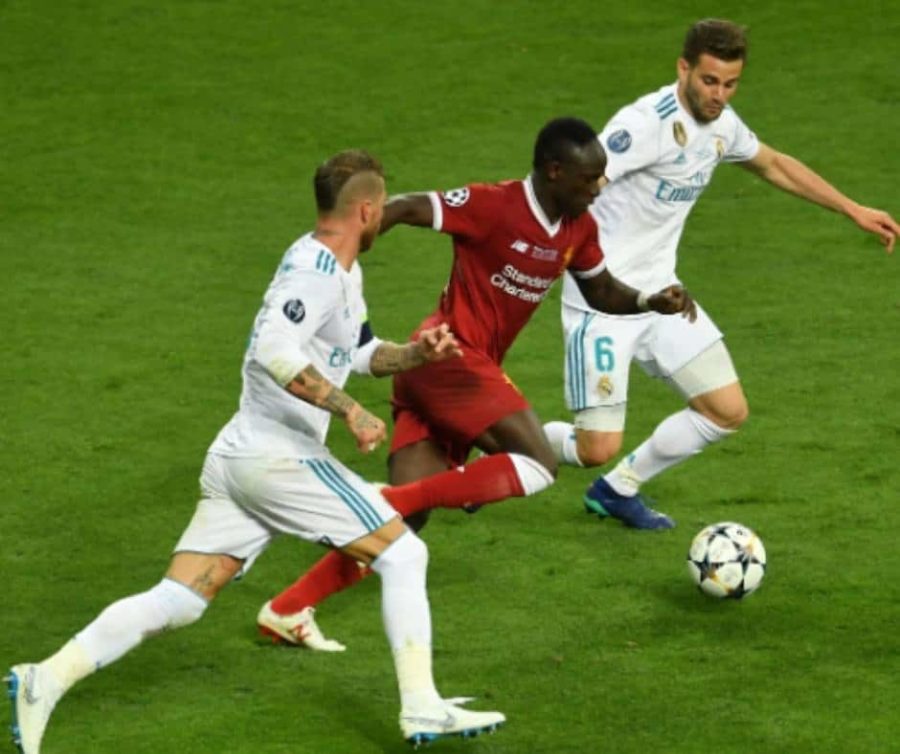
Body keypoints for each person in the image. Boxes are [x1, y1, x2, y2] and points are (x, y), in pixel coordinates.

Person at [5, 149, 508, 753]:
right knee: (404, 554)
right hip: (276, 456)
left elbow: (357, 351)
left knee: (181, 599)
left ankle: (43, 680)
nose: (382, 220)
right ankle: (422, 706)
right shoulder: (315, 270)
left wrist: (416, 354)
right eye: (381, 210)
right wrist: (350, 410)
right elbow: (273, 348)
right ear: (366, 210)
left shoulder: (340, 270)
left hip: (244, 454)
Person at [256, 117, 696, 649]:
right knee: (539, 464)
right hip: (447, 356)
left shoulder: (578, 228)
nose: (600, 187)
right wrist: (343, 247)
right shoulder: (494, 205)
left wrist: (651, 300)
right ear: (554, 171)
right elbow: (411, 207)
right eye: (589, 178)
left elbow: (600, 289)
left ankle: (287, 608)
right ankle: (388, 495)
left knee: (404, 524)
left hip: (442, 373)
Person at [543, 19, 899, 529]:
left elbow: (773, 164)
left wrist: (852, 209)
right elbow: (576, 185)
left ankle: (617, 489)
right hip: (603, 301)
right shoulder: (644, 126)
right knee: (594, 447)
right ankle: (503, 439)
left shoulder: (722, 126)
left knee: (726, 410)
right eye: (709, 81)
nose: (719, 95)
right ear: (683, 68)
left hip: (662, 295)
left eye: (730, 84)